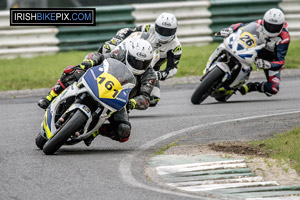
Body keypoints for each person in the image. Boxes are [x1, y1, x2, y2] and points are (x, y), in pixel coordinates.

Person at [38, 37, 158, 145]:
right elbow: (99, 56)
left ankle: (94, 132)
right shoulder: (120, 53)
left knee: (124, 131)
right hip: (99, 81)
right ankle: (49, 97)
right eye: (135, 60)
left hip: (119, 101)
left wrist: (132, 103)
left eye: (143, 63)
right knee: (73, 71)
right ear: (129, 55)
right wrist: (89, 62)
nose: (138, 64)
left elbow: (145, 99)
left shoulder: (150, 75)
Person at [99, 12, 182, 106]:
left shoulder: (175, 47)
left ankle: (129, 102)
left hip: (150, 70)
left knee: (154, 98)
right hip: (131, 56)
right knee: (107, 48)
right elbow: (128, 31)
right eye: (162, 30)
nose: (164, 34)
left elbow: (173, 68)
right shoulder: (147, 28)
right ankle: (94, 68)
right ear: (156, 26)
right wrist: (117, 39)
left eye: (168, 32)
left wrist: (160, 74)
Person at [219, 8, 290, 97]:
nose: (271, 29)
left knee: (273, 88)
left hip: (270, 59)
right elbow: (242, 26)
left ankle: (252, 86)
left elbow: (280, 61)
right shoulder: (259, 24)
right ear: (264, 22)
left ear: (282, 26)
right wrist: (230, 29)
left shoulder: (284, 37)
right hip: (254, 48)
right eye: (269, 25)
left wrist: (267, 64)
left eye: (275, 27)